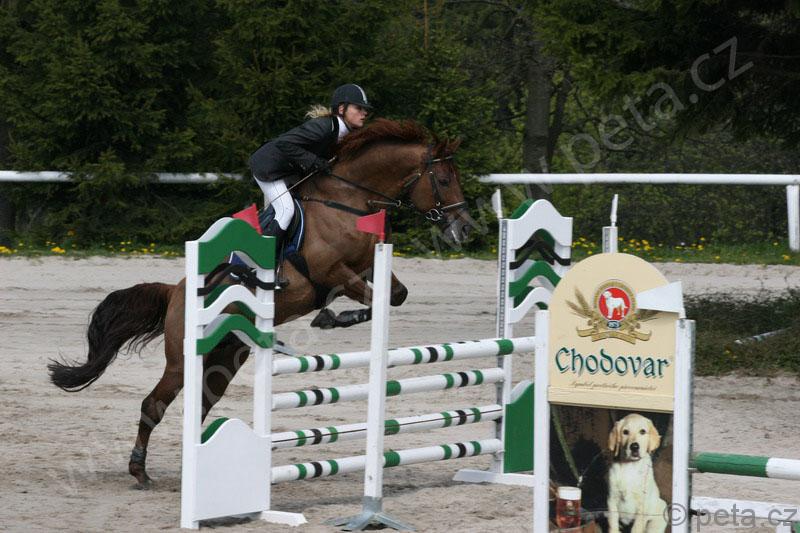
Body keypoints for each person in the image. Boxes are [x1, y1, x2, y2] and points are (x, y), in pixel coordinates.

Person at [248, 83, 373, 250]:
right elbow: (284, 143)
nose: (364, 113)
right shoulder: (323, 126)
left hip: (289, 169)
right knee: (286, 210)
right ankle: (262, 253)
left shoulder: (344, 133)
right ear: (342, 109)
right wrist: (313, 161)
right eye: (358, 108)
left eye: (365, 110)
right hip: (269, 167)